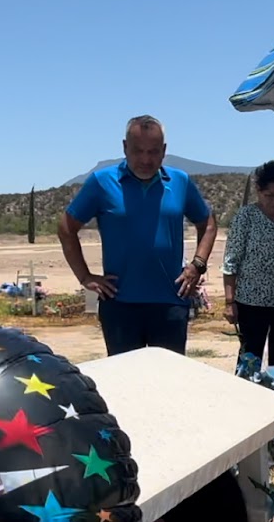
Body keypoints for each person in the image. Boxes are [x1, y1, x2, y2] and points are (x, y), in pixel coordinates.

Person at [59, 115, 218, 356]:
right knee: (125, 384)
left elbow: (207, 223)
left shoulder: (180, 181)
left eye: (153, 151)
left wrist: (197, 265)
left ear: (164, 150)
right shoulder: (102, 182)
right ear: (125, 147)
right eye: (137, 151)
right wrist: (84, 276)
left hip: (170, 302)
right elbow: (66, 228)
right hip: (120, 305)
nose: (146, 159)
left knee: (168, 382)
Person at [223, 161, 274, 366]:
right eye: (270, 195)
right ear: (259, 191)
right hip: (252, 301)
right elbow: (231, 260)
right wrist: (229, 302)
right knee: (250, 358)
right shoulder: (246, 217)